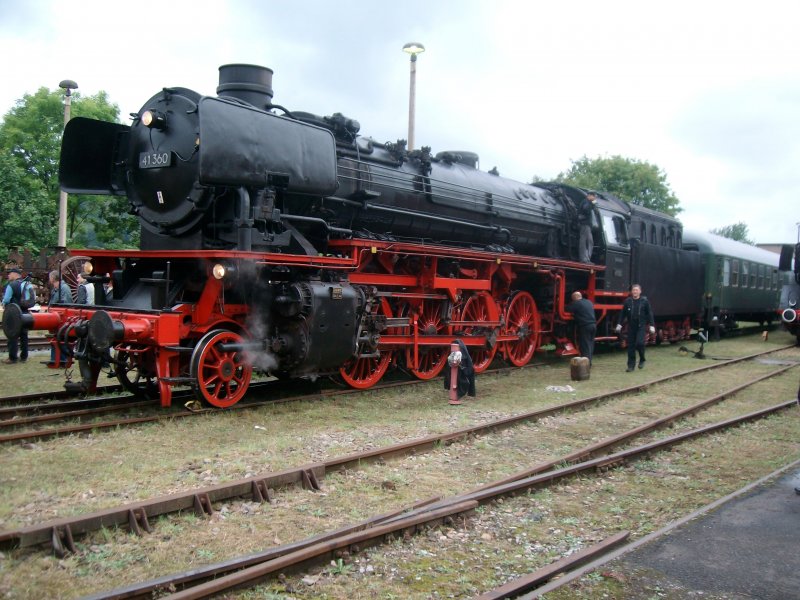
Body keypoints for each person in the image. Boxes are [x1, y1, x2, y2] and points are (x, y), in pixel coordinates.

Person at [615, 283, 656, 372]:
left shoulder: (644, 301)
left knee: (640, 343)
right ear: (631, 292)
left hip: (641, 325)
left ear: (640, 291)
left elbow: (649, 313)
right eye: (633, 290)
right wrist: (619, 324)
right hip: (631, 326)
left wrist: (652, 325)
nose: (635, 292)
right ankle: (631, 366)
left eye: (637, 290)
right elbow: (623, 314)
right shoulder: (627, 301)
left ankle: (642, 359)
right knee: (631, 347)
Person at [2, 267, 30, 364]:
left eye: (10, 273)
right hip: (25, 313)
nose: (8, 275)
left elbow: (6, 299)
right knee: (24, 335)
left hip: (14, 314)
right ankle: (24, 357)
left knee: (12, 335)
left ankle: (13, 357)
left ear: (15, 274)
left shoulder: (12, 285)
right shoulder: (26, 284)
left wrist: (3, 304)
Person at [48, 270, 73, 366]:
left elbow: (66, 304)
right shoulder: (56, 289)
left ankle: (63, 360)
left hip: (61, 318)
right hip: (55, 317)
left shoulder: (64, 288)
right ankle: (55, 359)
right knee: (55, 338)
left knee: (61, 339)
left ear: (53, 278)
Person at [565, 291, 597, 365]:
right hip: (593, 325)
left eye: (572, 299)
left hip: (585, 326)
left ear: (575, 297)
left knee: (585, 345)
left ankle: (586, 364)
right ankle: (589, 361)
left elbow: (567, 309)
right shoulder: (589, 302)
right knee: (590, 344)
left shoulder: (576, 303)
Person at [577, 192, 596, 263]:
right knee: (586, 241)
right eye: (593, 196)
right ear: (589, 196)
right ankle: (584, 259)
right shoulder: (586, 201)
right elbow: (586, 209)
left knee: (589, 241)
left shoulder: (587, 202)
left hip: (586, 225)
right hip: (585, 224)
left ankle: (586, 258)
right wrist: (592, 203)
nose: (594, 198)